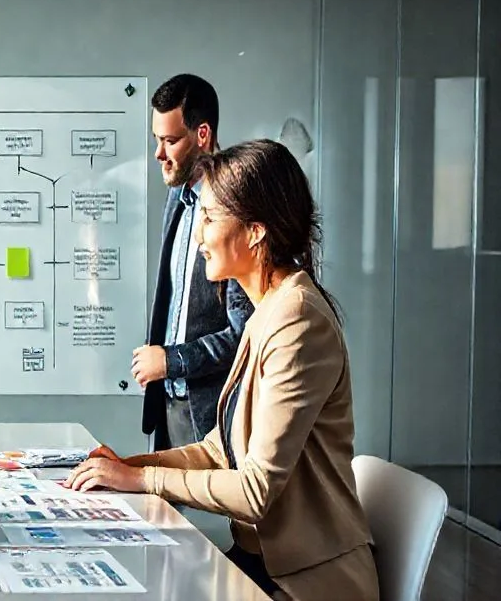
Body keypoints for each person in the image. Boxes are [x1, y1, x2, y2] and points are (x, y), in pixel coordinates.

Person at [66, 139, 379, 601]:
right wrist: (124, 467)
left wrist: (140, 480)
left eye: (210, 219)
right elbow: (219, 449)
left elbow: (254, 491)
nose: (198, 236)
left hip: (305, 581)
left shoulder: (297, 320)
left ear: (255, 231)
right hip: (260, 562)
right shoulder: (269, 310)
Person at [138, 73, 253, 451]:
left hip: (211, 416)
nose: (159, 153)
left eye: (170, 141)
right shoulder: (178, 200)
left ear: (202, 134)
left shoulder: (235, 211)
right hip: (167, 408)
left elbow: (244, 336)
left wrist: (171, 361)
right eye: (158, 139)